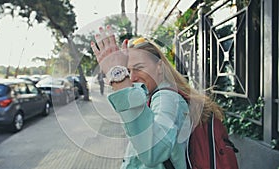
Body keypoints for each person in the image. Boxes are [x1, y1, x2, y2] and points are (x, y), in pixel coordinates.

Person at [91, 25, 224, 169]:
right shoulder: (154, 97)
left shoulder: (166, 97)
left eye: (139, 68)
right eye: (127, 71)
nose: (132, 77)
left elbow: (153, 151)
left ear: (159, 66)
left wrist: (119, 79)